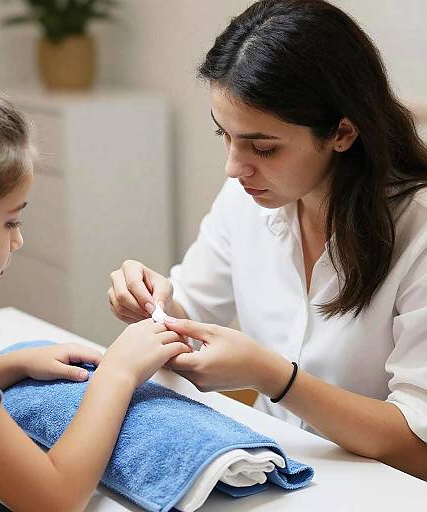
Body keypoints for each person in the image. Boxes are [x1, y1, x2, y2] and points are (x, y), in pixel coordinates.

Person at [108, 0, 427, 479]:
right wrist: (155, 307)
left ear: (342, 132)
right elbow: (190, 316)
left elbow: (416, 445)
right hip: (277, 471)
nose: (234, 167)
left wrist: (274, 377)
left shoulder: (417, 231)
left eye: (263, 147)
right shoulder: (248, 198)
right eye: (225, 135)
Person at [0, 78, 191, 512]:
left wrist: (5, 366)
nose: (19, 240)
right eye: (10, 222)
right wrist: (118, 372)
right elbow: (55, 499)